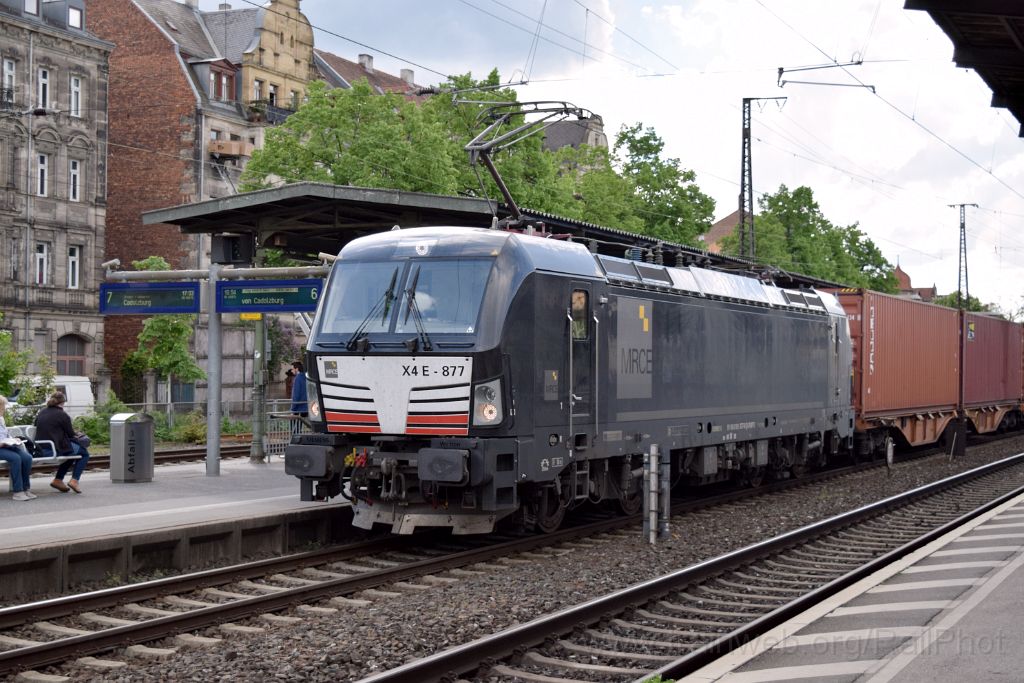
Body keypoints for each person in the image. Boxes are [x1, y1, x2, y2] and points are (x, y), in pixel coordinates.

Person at [34, 391, 90, 493]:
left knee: (71, 453)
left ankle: (58, 480)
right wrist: (79, 434)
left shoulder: (42, 412)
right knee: (84, 453)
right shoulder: (62, 415)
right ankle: (74, 480)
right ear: (63, 403)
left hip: (40, 447)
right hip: (55, 448)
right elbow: (70, 434)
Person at [0, 396, 35, 501]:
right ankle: (18, 491)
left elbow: (4, 435)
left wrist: (13, 440)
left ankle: (26, 488)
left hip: (6, 445)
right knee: (16, 458)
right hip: (1, 448)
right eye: (2, 407)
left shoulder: (1, 419)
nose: (4, 409)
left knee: (27, 457)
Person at [290, 360, 308, 435]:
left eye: (292, 369)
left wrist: (293, 408)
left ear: (297, 369)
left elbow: (296, 395)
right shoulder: (306, 377)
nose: (291, 371)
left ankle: (296, 439)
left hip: (299, 407)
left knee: (294, 425)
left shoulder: (298, 378)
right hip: (307, 406)